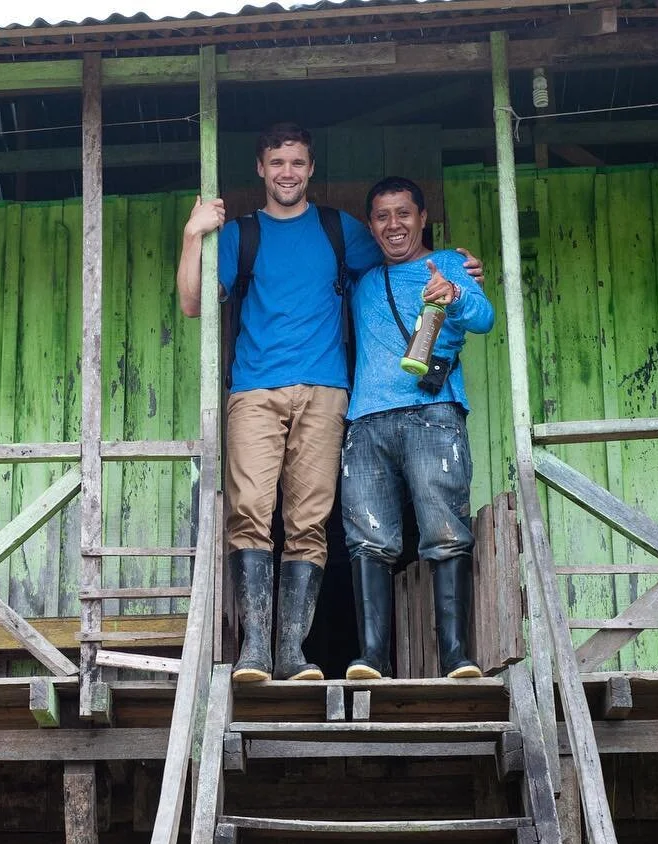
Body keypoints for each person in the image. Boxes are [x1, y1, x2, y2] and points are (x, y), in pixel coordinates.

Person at [178, 123, 482, 684]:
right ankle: (253, 653)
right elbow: (194, 303)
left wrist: (456, 273)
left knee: (310, 521)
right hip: (254, 390)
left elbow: (404, 254)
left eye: (296, 162)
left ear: (310, 168)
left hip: (326, 391)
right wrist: (194, 234)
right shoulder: (242, 235)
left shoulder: (339, 230)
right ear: (261, 169)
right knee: (248, 512)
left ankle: (293, 653)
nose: (287, 172)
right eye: (277, 162)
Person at [341, 176, 494, 681]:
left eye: (403, 213)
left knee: (445, 533)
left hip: (435, 414)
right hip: (366, 421)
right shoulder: (363, 279)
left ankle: (455, 656)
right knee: (369, 538)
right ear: (370, 226)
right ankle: (372, 659)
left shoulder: (450, 264)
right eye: (382, 216)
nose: (394, 225)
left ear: (423, 217)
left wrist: (456, 293)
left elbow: (485, 319)